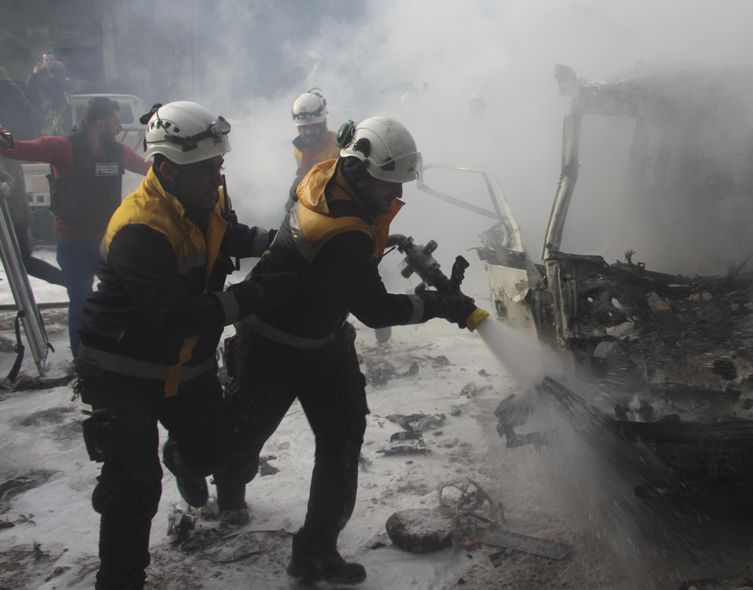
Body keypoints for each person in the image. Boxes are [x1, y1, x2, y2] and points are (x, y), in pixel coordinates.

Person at [213, 116, 481, 585]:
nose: (395, 195)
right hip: (272, 344)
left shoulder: (330, 177)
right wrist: (440, 305)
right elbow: (375, 310)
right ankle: (222, 481)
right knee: (240, 439)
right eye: (390, 185)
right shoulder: (345, 231)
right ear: (364, 172)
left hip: (324, 341)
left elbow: (352, 275)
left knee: (341, 440)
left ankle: (315, 551)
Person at [75, 100, 298, 590]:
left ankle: (183, 457)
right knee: (132, 488)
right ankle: (120, 580)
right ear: (166, 168)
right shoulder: (140, 226)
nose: (217, 179)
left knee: (213, 453)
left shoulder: (205, 196)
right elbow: (173, 318)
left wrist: (282, 242)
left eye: (220, 166)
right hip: (125, 367)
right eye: (206, 170)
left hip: (188, 363)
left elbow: (227, 234)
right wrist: (252, 296)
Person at [0, 97, 150, 357]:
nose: (120, 128)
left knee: (127, 295)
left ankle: (123, 350)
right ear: (101, 124)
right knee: (80, 303)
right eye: (116, 122)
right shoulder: (63, 147)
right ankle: (83, 360)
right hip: (74, 244)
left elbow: (149, 170)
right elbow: (18, 148)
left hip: (108, 242)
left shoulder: (118, 151)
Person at [0, 154, 65, 285]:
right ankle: (71, 283)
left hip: (12, 218)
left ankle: (71, 283)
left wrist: (6, 187)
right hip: (14, 216)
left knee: (23, 261)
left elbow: (11, 183)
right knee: (24, 261)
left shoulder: (7, 153)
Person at [286, 88, 339, 209]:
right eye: (304, 128)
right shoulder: (300, 151)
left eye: (313, 127)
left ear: (322, 123)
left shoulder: (338, 146)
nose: (309, 132)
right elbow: (304, 174)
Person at [26, 52, 71, 134]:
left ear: (55, 61)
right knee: (45, 132)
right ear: (43, 61)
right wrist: (33, 74)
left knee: (61, 130)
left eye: (51, 60)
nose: (48, 62)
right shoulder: (39, 72)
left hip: (59, 107)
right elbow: (28, 86)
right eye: (46, 60)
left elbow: (67, 84)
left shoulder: (61, 71)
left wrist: (54, 78)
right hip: (43, 107)